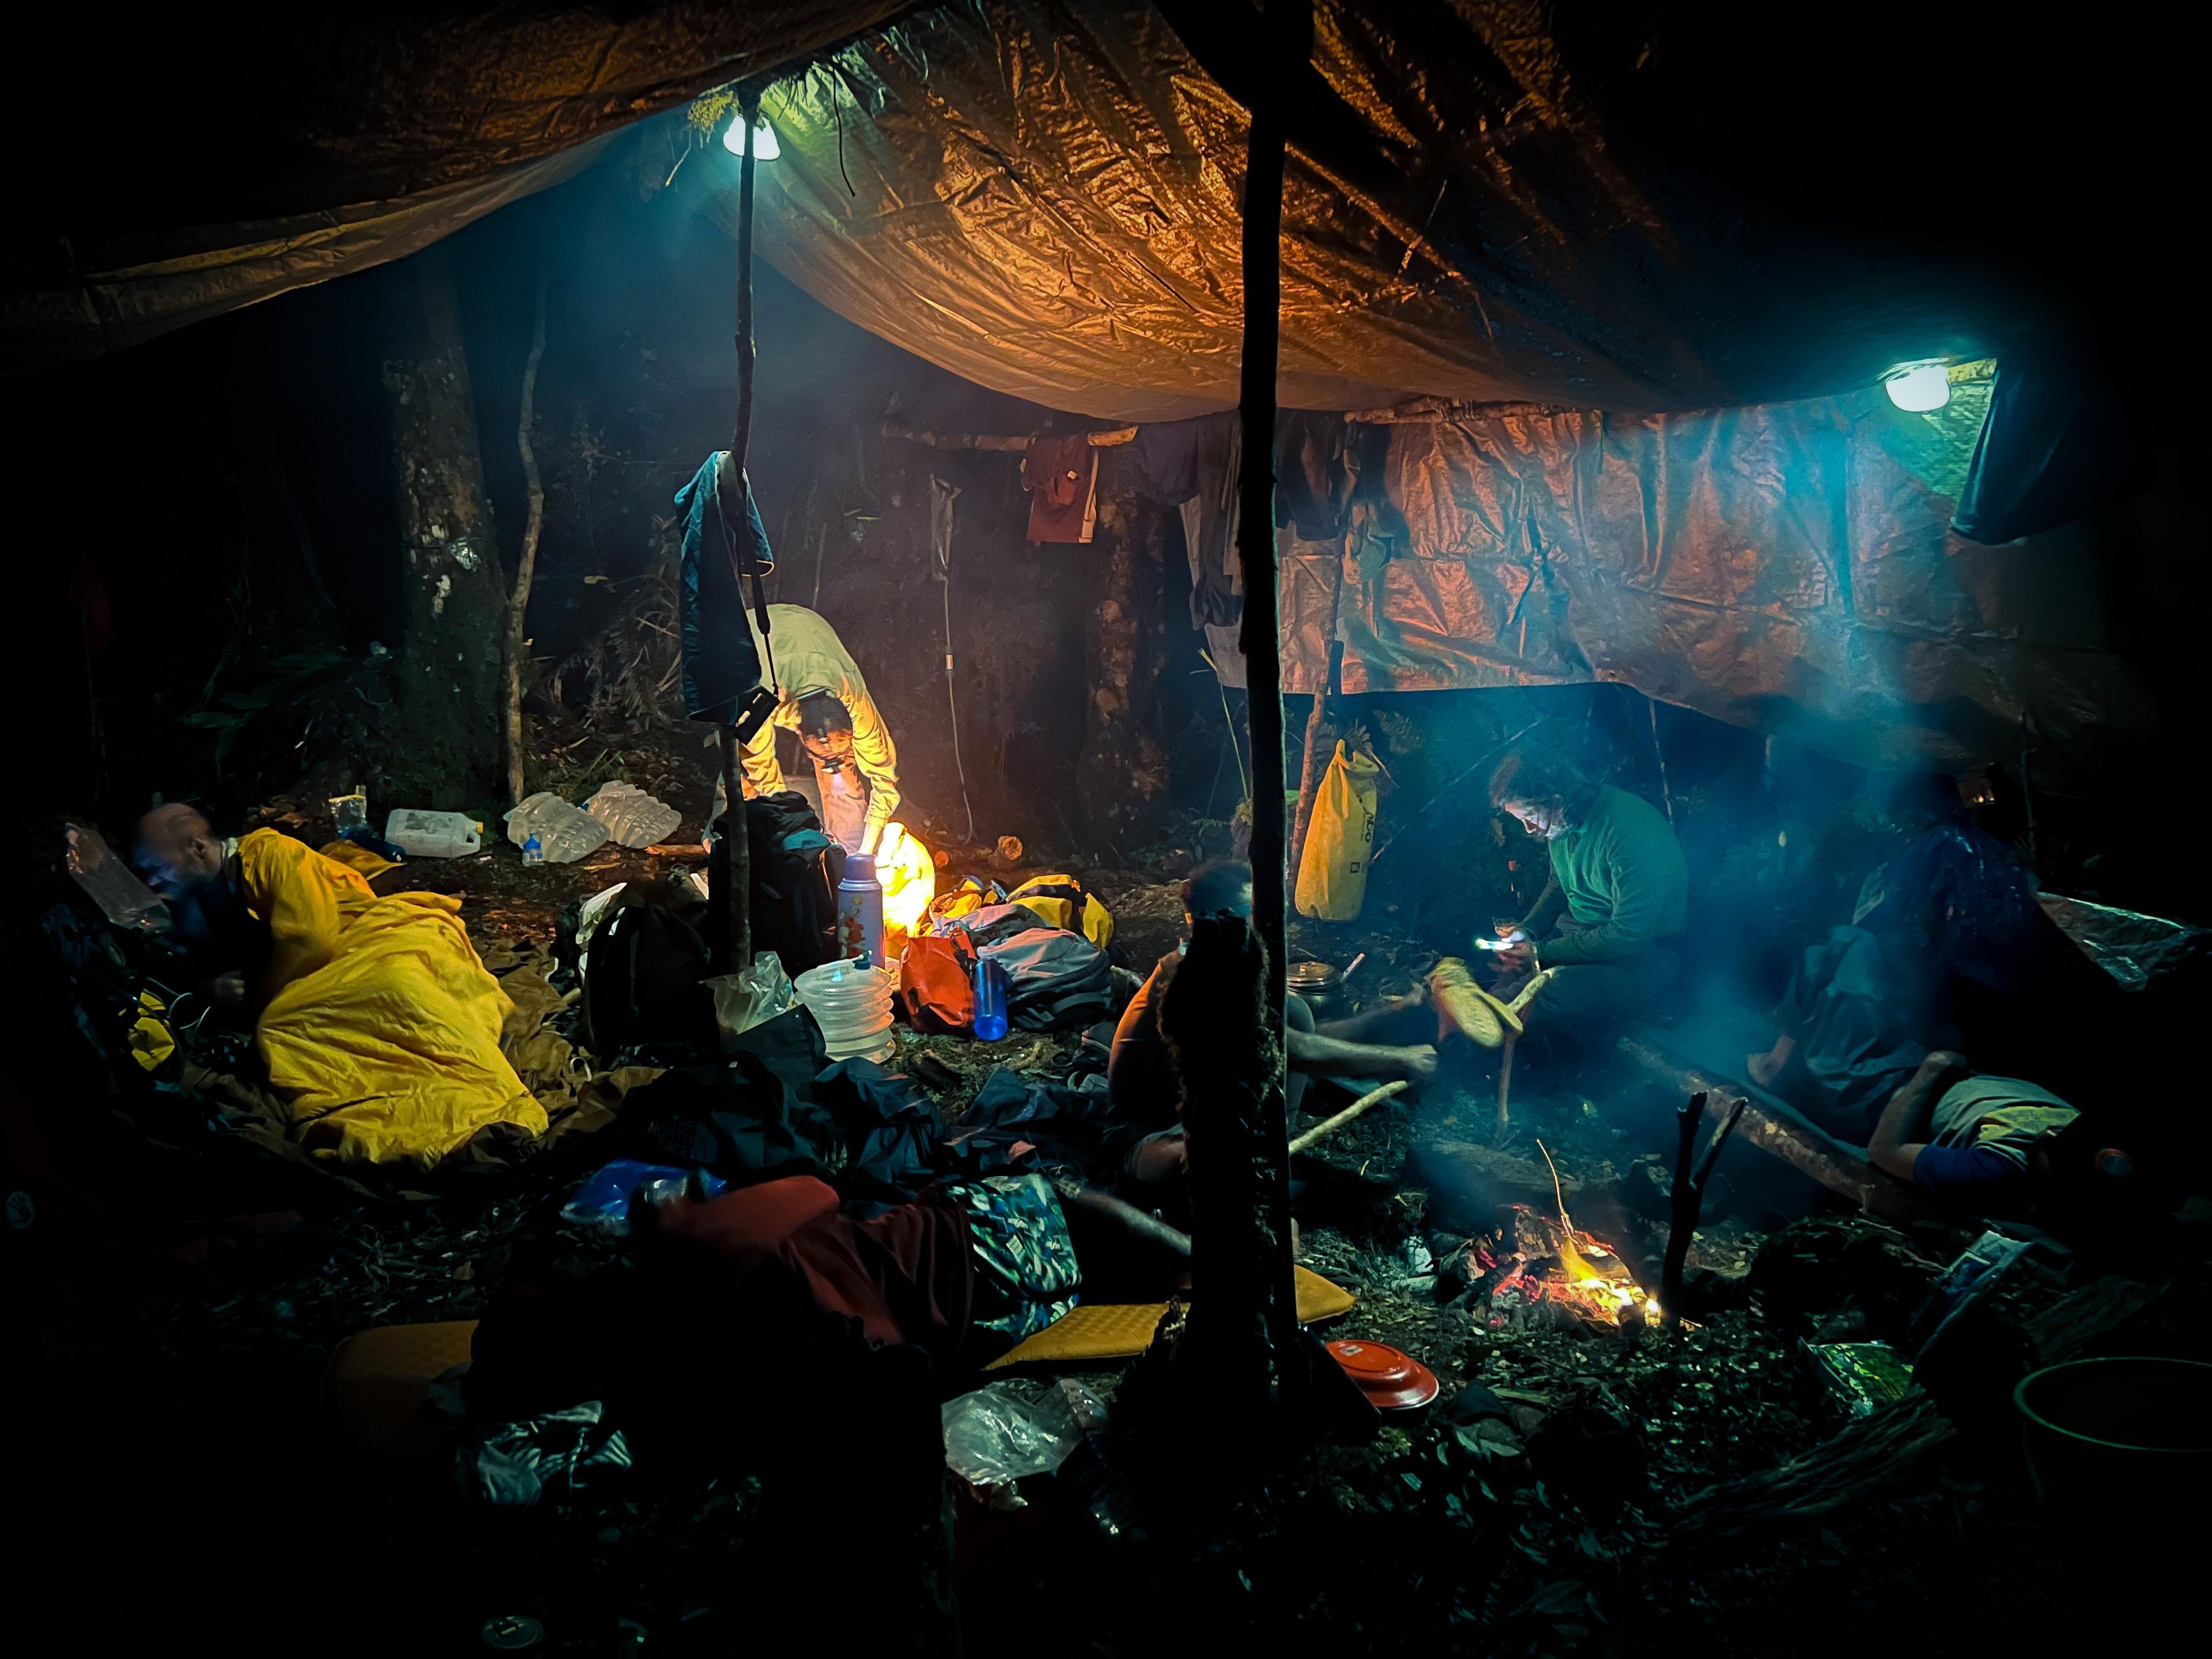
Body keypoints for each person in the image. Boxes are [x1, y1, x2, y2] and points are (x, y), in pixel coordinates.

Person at [134, 804, 546, 1168]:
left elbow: (312, 938)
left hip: (371, 940)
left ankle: (490, 1101)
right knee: (294, 1026)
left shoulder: (267, 853)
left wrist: (261, 996)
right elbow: (204, 968)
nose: (153, 882)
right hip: (334, 969)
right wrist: (211, 991)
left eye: (157, 868)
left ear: (197, 847)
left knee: (392, 991)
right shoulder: (197, 900)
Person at [1107, 859, 1439, 1199]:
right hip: (1151, 1140)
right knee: (1231, 1167)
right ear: (1218, 918)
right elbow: (1298, 1052)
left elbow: (1302, 1039)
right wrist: (1402, 1059)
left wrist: (1392, 1012)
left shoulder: (1234, 967)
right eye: (1251, 910)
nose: (1264, 922)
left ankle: (1270, 1157)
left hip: (1214, 1120)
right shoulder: (1194, 974)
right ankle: (1251, 1183)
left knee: (1294, 1010)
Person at [1480, 749, 1688, 1040]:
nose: (1528, 829)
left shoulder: (1628, 836)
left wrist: (1541, 953)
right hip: (1581, 931)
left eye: (1529, 817)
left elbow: (1629, 935)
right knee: (1503, 983)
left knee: (1528, 1003)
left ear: (1556, 800)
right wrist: (1527, 931)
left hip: (1644, 954)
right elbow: (1559, 883)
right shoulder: (1562, 822)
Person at [1866, 1049, 2133, 1211]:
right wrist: (1937, 1066)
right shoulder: (2001, 1169)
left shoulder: (2001, 1169)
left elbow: (1885, 1151)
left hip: (1897, 1086)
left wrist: (1938, 1066)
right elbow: (1884, 1150)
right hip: (1902, 1080)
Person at [739, 603, 901, 856]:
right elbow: (759, 766)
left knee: (843, 775)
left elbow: (884, 780)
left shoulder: (855, 702)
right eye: (822, 756)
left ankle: (848, 851)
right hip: (751, 638)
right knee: (741, 770)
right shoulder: (762, 698)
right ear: (799, 730)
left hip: (811, 630)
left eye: (836, 754)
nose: (831, 766)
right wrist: (791, 828)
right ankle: (734, 849)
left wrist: (865, 852)